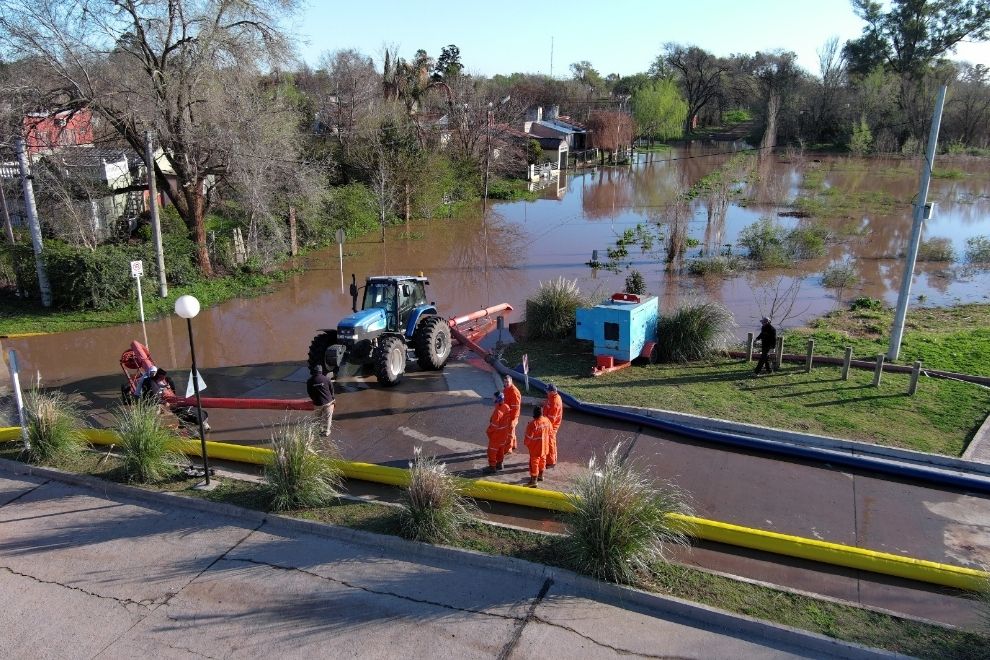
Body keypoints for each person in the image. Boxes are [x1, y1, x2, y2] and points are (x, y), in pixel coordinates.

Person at [523, 405, 552, 487]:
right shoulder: (547, 421)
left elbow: (528, 438)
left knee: (534, 463)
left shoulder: (533, 424)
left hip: (535, 448)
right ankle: (540, 476)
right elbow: (550, 432)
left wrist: (526, 444)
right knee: (543, 461)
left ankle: (533, 480)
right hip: (545, 447)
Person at [483, 392, 512, 474]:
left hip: (497, 434)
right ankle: (499, 463)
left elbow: (494, 425)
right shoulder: (506, 406)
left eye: (494, 397)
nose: (493, 398)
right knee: (501, 449)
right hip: (504, 432)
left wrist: (488, 431)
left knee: (492, 450)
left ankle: (492, 467)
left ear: (498, 399)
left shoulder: (498, 412)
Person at [306, 365, 335, 437]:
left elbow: (309, 392)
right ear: (321, 371)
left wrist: (314, 400)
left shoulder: (309, 381)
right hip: (328, 402)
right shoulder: (326, 379)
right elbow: (331, 389)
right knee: (328, 417)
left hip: (317, 403)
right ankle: (327, 432)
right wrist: (333, 398)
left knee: (317, 418)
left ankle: (319, 430)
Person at [542, 383, 563, 468]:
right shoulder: (552, 398)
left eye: (548, 391)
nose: (546, 392)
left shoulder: (555, 402)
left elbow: (552, 418)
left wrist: (545, 425)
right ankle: (550, 459)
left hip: (551, 426)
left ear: (552, 392)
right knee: (549, 442)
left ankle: (551, 462)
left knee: (551, 443)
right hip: (549, 424)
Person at [502, 373, 522, 453]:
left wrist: (512, 418)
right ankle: (513, 445)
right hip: (508, 414)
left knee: (509, 432)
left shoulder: (514, 392)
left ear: (511, 381)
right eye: (505, 382)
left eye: (507, 382)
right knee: (511, 431)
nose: (506, 383)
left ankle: (508, 449)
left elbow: (515, 408)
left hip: (512, 416)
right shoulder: (506, 389)